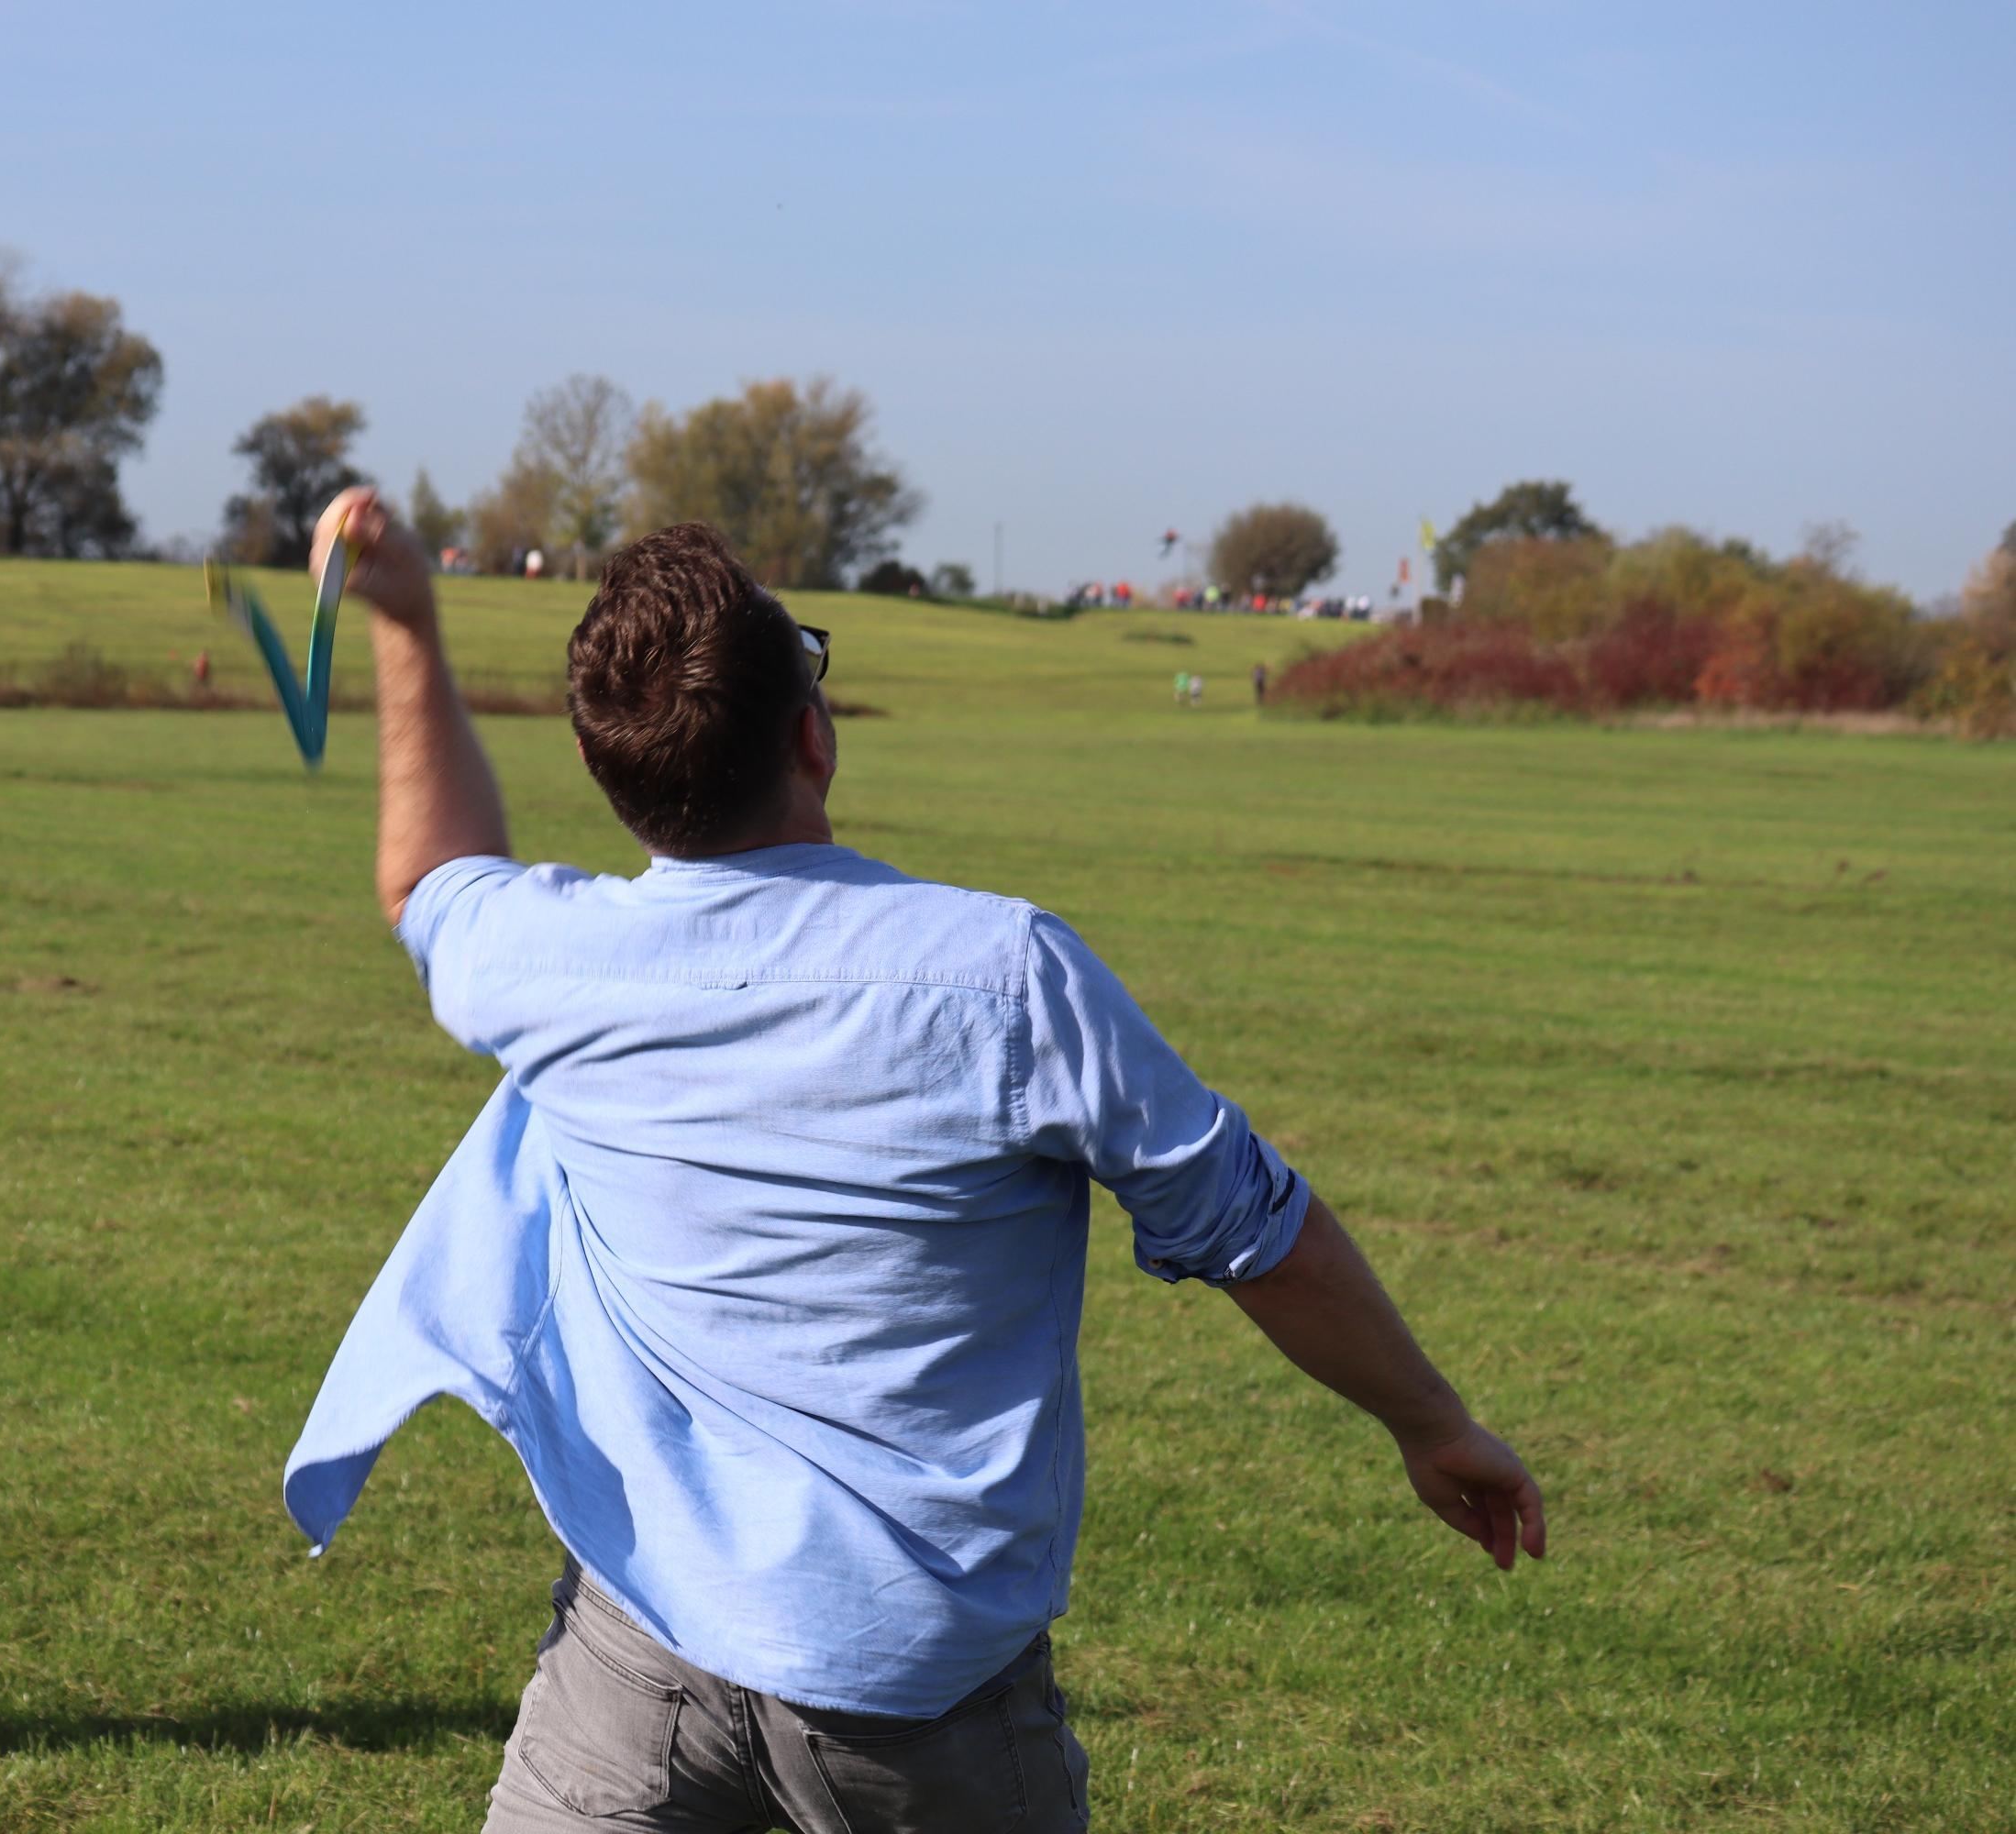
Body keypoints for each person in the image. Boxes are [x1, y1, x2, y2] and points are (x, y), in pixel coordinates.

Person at [284, 493, 1545, 1834]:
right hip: (921, 1693)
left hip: (630, 1652)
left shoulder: (548, 961)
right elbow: (1252, 1231)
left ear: (617, 776)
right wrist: (1432, 1424)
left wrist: (408, 620)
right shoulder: (1005, 975)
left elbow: (427, 879)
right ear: (811, 738)